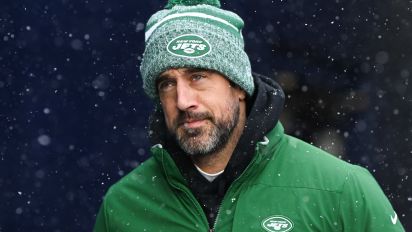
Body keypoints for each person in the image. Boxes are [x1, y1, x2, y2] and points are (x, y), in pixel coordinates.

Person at [93, 0, 405, 231]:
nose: (183, 99)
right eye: (167, 84)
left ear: (238, 86)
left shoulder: (340, 190)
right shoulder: (123, 206)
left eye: (198, 76)